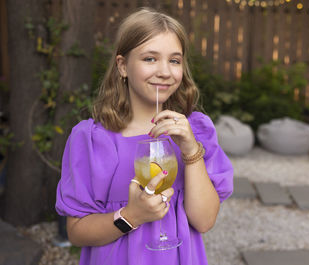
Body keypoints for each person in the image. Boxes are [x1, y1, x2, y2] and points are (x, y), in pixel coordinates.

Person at [55, 7, 233, 265]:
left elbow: (204, 221)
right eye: (150, 59)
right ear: (123, 66)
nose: (164, 71)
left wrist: (191, 151)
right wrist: (131, 216)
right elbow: (76, 232)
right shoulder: (93, 139)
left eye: (174, 60)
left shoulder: (196, 129)